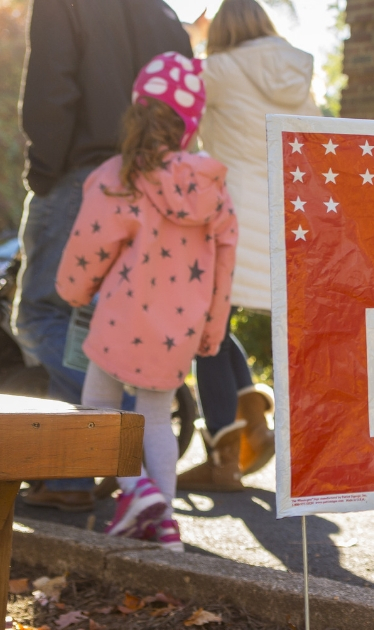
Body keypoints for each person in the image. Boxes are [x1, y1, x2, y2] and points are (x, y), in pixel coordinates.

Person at [14, 0, 193, 512]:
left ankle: (124, 439)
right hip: (152, 180)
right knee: (93, 323)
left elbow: (51, 89)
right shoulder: (161, 12)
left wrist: (43, 173)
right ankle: (71, 476)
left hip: (81, 173)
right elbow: (183, 99)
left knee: (41, 315)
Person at [55, 52, 238, 550]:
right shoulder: (213, 188)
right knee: (156, 417)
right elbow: (224, 265)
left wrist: (72, 291)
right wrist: (212, 330)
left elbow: (89, 246)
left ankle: (137, 492)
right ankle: (165, 529)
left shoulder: (118, 176)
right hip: (178, 328)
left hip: (119, 318)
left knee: (97, 408)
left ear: (137, 111)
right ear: (189, 124)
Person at [179, 0, 320, 492]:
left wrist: (193, 38)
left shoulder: (216, 69)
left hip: (230, 220)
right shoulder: (298, 74)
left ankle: (224, 457)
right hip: (288, 219)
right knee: (213, 326)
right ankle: (253, 421)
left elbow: (175, 106)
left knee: (205, 330)